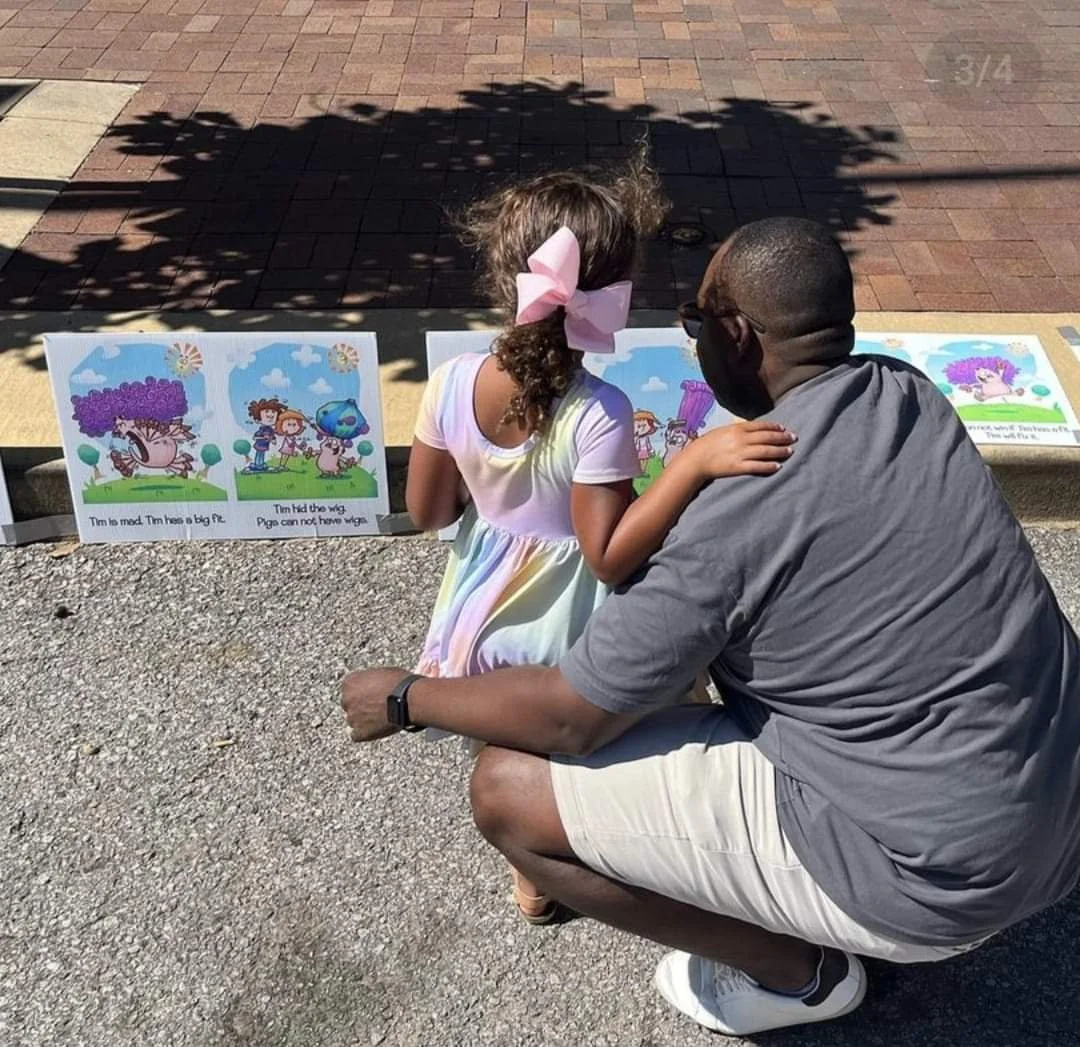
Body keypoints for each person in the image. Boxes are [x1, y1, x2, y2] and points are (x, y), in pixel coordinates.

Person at [342, 216, 1080, 1036]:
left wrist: (407, 698)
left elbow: (569, 715)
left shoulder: (724, 524)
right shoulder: (909, 395)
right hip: (1058, 803)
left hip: (933, 881)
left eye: (696, 322)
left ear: (734, 335)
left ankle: (800, 975)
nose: (692, 339)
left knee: (506, 791)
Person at [404, 170, 797, 924]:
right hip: (570, 624)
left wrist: (484, 481)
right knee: (600, 740)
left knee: (502, 742)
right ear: (613, 291)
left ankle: (532, 875)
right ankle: (615, 847)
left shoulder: (451, 382)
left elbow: (427, 511)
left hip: (483, 610)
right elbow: (608, 553)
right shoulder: (599, 412)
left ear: (501, 273)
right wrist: (691, 463)